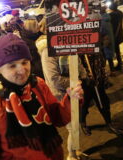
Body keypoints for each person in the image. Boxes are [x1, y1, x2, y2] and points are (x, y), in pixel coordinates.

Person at [0, 33, 83, 160]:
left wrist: (70, 100)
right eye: (12, 65)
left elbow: (56, 117)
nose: (22, 70)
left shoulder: (38, 84)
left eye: (24, 62)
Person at [36, 26, 88, 160]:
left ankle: (76, 152)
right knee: (73, 128)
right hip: (60, 95)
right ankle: (71, 156)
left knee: (76, 126)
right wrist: (74, 82)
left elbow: (78, 63)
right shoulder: (48, 51)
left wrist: (83, 75)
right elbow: (54, 79)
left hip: (75, 92)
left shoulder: (69, 45)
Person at [108, 2, 123, 70]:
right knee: (117, 50)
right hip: (119, 35)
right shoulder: (120, 14)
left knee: (114, 50)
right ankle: (120, 62)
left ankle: (118, 65)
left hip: (114, 36)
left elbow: (112, 27)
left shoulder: (112, 15)